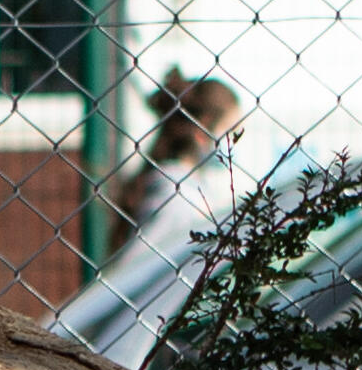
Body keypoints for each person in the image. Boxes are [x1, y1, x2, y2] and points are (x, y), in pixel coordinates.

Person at [99, 75, 254, 258]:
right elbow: (132, 269)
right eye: (232, 132)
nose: (235, 142)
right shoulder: (177, 198)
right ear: (202, 131)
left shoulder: (187, 188)